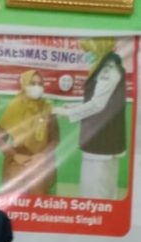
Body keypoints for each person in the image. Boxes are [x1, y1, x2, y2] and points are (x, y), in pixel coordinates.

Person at [55, 41, 126, 200]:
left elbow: (97, 104)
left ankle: (94, 215)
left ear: (99, 46)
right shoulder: (104, 67)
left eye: (89, 50)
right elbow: (100, 99)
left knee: (95, 192)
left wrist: (68, 113)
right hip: (100, 136)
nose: (87, 54)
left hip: (101, 139)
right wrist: (74, 106)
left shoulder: (108, 70)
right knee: (100, 188)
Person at [0, 70, 59, 196]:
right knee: (16, 185)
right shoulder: (14, 107)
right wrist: (14, 156)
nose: (37, 87)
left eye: (40, 84)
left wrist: (43, 155)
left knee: (38, 183)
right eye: (32, 83)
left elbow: (55, 139)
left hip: (41, 159)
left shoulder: (48, 107)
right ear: (24, 85)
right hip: (18, 158)